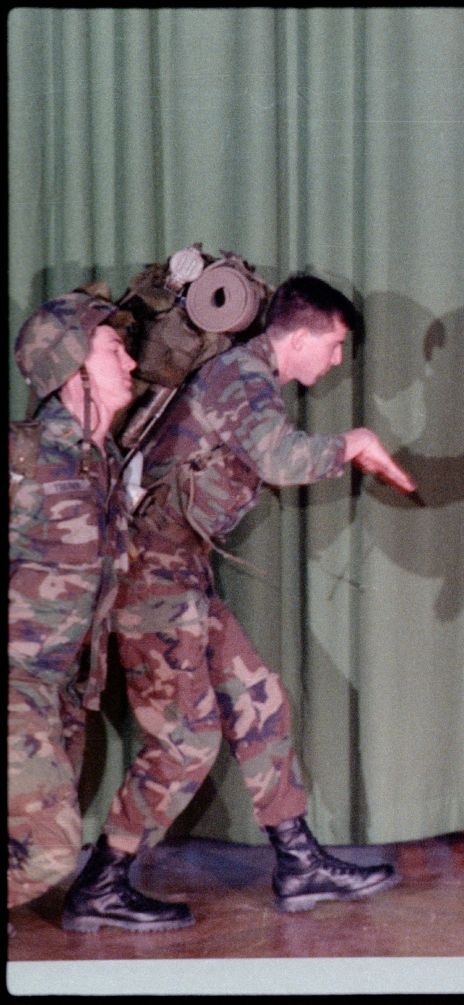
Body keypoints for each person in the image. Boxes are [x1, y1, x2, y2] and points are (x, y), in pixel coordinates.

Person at [60, 274, 417, 933]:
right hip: (152, 580)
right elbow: (280, 458)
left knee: (260, 700)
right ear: (303, 336)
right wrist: (355, 443)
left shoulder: (243, 376)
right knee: (187, 739)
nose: (337, 361)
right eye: (335, 345)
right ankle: (100, 883)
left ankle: (299, 861)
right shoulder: (241, 375)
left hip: (181, 573)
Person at [9, 291, 139, 929]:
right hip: (15, 683)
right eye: (115, 350)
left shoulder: (105, 462)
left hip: (60, 687)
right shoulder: (24, 456)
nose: (133, 363)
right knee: (54, 852)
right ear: (72, 368)